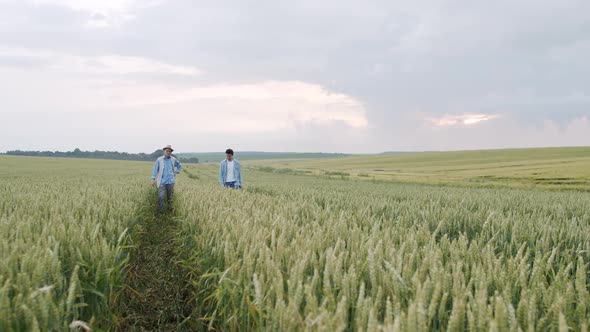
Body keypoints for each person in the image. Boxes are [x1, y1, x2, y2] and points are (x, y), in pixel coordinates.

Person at [151, 145, 182, 213]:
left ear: (171, 152)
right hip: (162, 182)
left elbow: (179, 166)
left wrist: (177, 171)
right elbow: (155, 169)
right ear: (164, 151)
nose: (168, 152)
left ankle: (170, 211)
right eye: (167, 151)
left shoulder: (173, 159)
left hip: (171, 181)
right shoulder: (159, 159)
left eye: (169, 151)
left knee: (170, 198)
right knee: (161, 197)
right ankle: (160, 212)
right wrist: (153, 179)